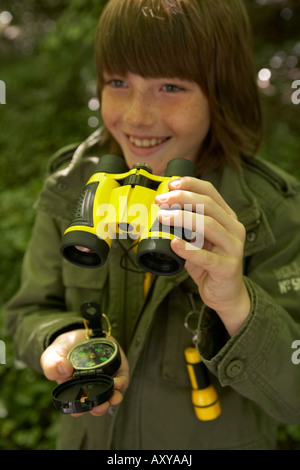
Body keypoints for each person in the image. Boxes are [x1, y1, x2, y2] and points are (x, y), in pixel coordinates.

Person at [6, 0, 300, 450]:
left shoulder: (270, 213)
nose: (137, 116)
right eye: (118, 82)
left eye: (170, 87)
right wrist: (61, 337)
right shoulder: (75, 186)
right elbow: (25, 312)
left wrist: (238, 306)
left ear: (221, 93)